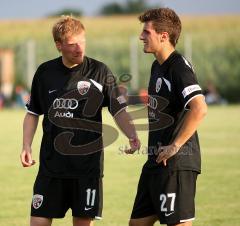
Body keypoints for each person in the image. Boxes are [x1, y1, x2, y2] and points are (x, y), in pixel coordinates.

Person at [20, 16, 140, 226]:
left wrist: (132, 135)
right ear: (59, 45)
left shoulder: (99, 71)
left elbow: (118, 110)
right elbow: (32, 113)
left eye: (82, 42)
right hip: (51, 167)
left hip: (86, 169)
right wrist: (26, 145)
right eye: (72, 44)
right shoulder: (45, 73)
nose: (79, 49)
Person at [127, 8, 207, 226]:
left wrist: (175, 146)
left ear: (163, 36)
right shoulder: (157, 66)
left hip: (176, 164)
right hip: (155, 162)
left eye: (146, 32)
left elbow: (199, 108)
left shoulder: (179, 67)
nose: (141, 36)